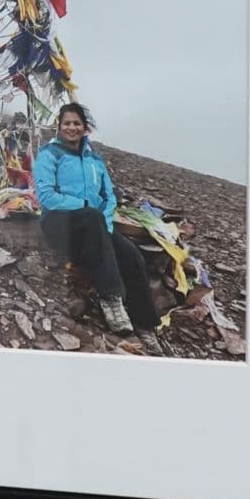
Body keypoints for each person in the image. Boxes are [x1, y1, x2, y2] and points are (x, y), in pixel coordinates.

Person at [32, 103, 155, 340]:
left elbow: (108, 197)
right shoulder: (49, 155)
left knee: (132, 255)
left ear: (85, 128)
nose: (71, 127)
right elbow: (47, 196)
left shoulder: (95, 161)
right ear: (59, 126)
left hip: (94, 226)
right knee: (91, 216)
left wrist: (106, 226)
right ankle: (111, 300)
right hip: (60, 225)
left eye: (77, 123)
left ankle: (146, 325)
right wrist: (86, 208)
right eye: (66, 123)